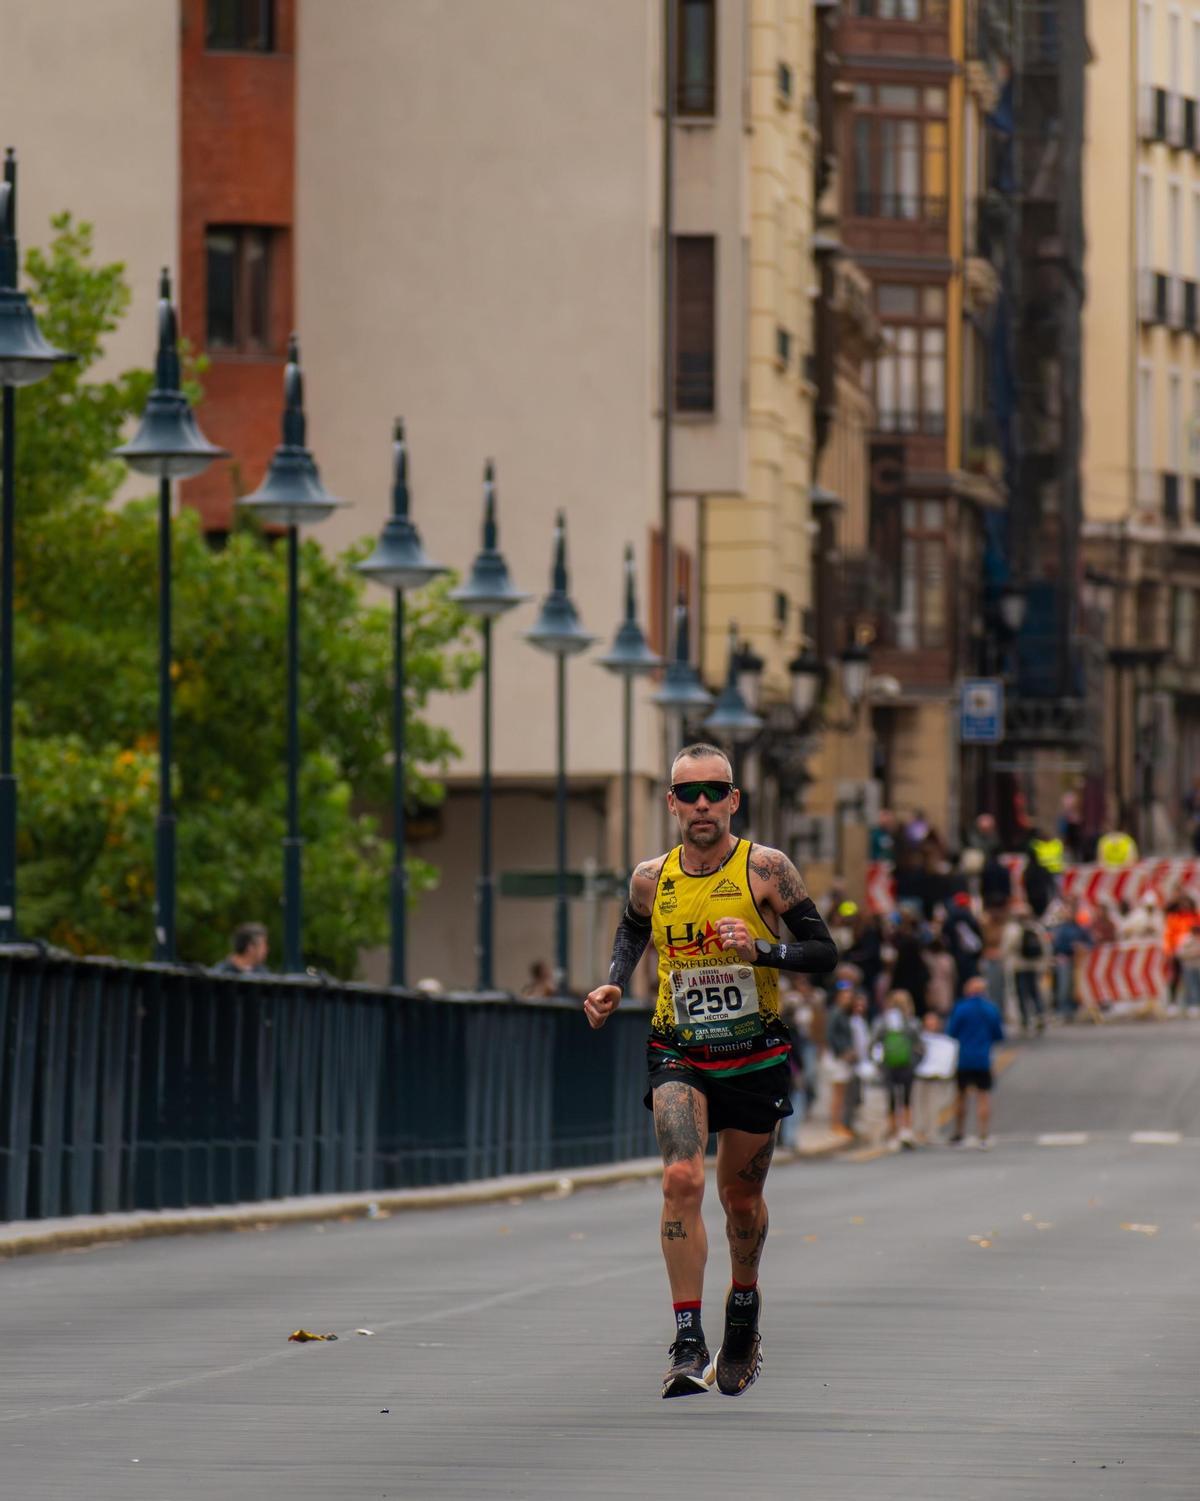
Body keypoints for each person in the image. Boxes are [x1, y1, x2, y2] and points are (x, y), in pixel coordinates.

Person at [583, 743, 837, 1400]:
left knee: (741, 1200)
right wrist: (614, 983)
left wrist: (762, 948)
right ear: (671, 803)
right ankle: (688, 1336)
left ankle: (743, 1310)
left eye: (713, 791)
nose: (701, 804)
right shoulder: (651, 876)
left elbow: (825, 952)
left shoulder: (766, 869)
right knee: (679, 1177)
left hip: (754, 1054)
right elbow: (632, 930)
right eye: (688, 793)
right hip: (680, 1049)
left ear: (733, 799)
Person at [946, 975, 1005, 1149]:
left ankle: (959, 1132)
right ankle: (984, 1134)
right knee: (983, 1096)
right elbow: (998, 1034)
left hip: (964, 1058)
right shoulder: (990, 1009)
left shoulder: (961, 1008)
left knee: (960, 1096)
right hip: (983, 1058)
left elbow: (951, 1031)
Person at [870, 989, 923, 1148]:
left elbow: (874, 1042)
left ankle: (893, 1132)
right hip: (907, 1064)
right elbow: (919, 1045)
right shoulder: (912, 1022)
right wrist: (917, 1062)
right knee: (907, 1098)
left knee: (892, 1099)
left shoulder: (883, 1021)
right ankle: (906, 1130)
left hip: (888, 1064)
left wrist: (877, 1062)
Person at [912, 1011, 958, 1145]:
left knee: (934, 1106)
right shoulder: (919, 1039)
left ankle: (932, 1132)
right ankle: (918, 1131)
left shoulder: (944, 1041)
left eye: (934, 1021)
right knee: (918, 1105)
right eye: (928, 1021)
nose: (931, 1024)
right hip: (920, 1076)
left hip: (936, 1077)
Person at [823, 978, 857, 1144]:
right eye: (845, 995)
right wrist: (841, 1052)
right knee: (838, 1092)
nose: (848, 998)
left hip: (843, 1056)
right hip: (837, 1057)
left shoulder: (844, 1013)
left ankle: (839, 1123)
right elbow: (830, 1035)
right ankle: (835, 1123)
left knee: (841, 1092)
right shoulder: (836, 1012)